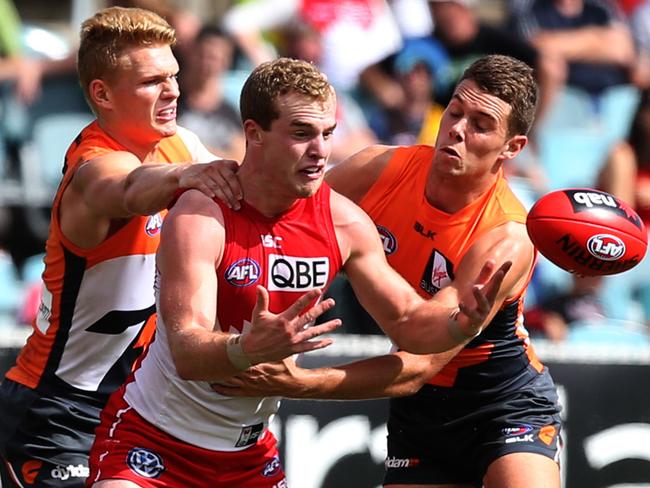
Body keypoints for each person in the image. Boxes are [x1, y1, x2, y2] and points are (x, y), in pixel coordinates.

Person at [86, 57, 511, 488]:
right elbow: (187, 352)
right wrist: (246, 348)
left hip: (249, 457)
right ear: (253, 134)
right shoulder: (202, 213)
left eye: (328, 133)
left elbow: (409, 324)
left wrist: (460, 324)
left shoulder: (344, 223)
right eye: (302, 134)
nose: (321, 151)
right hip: (153, 443)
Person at [212, 54, 563, 488]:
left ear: (513, 148)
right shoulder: (383, 169)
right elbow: (287, 212)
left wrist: (302, 382)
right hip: (423, 412)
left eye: (480, 124)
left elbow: (418, 364)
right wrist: (212, 181)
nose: (457, 129)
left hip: (502, 399)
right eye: (454, 111)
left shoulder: (505, 236)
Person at [0, 7, 242, 487]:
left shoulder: (180, 144)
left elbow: (247, 187)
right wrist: (187, 177)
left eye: (172, 75)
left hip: (137, 409)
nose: (173, 89)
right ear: (102, 94)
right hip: (58, 409)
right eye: (153, 81)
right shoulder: (92, 170)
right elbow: (129, 190)